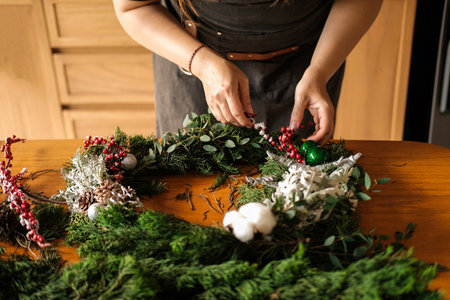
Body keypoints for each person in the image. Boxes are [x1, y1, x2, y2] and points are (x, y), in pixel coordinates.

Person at [113, 0, 382, 145]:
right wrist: (203, 64)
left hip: (307, 67)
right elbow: (132, 6)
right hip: (191, 63)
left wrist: (320, 71)